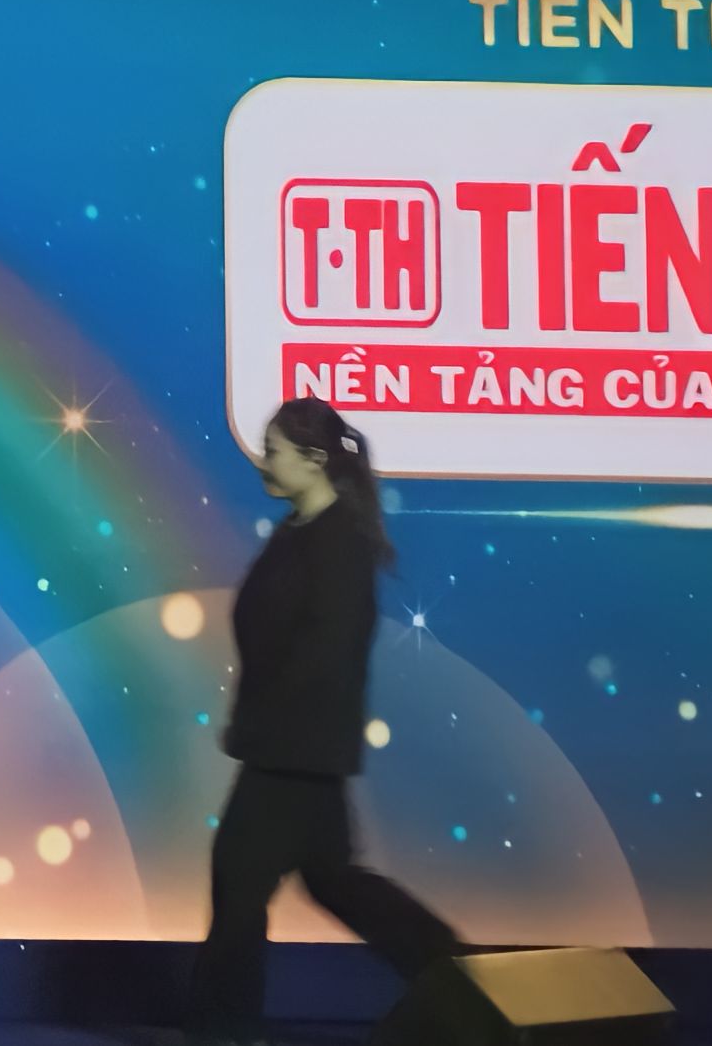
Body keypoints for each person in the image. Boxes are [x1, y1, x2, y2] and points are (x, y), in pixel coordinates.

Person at [189, 397, 464, 1046]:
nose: (263, 462)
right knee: (332, 878)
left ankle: (222, 1029)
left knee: (239, 876)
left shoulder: (338, 541)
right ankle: (457, 973)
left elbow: (329, 649)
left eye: (274, 450)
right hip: (291, 743)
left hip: (294, 747)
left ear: (314, 460)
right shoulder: (301, 529)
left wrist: (266, 723)